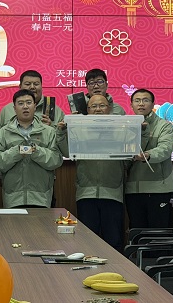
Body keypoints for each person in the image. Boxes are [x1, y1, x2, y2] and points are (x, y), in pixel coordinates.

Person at [56, 94, 132, 251]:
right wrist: (61, 132)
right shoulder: (79, 129)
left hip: (113, 193)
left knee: (114, 240)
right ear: (88, 110)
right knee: (87, 241)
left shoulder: (121, 129)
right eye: (94, 106)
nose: (98, 109)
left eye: (102, 106)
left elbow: (130, 155)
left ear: (109, 109)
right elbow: (67, 152)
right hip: (86, 193)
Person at [0, 89, 63, 208]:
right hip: (13, 197)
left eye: (29, 103)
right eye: (20, 103)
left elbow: (56, 160)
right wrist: (16, 152)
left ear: (35, 106)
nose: (25, 106)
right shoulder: (3, 133)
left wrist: (37, 152)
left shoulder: (49, 131)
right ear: (14, 108)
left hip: (41, 197)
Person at [125, 88, 173, 229]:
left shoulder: (164, 126)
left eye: (145, 100)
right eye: (137, 101)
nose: (141, 104)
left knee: (158, 233)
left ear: (153, 104)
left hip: (159, 190)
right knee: (137, 232)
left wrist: (147, 155)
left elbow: (165, 149)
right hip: (133, 191)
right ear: (131, 105)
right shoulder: (126, 127)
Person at [0, 70, 64, 128]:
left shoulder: (55, 111)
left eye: (36, 84)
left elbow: (63, 136)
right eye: (27, 84)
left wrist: (50, 129)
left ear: (41, 87)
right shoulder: (7, 110)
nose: (32, 87)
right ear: (20, 87)